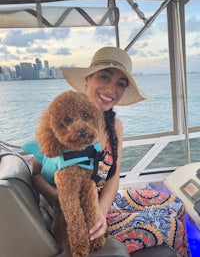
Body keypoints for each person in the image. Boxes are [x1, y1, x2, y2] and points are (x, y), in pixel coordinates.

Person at [27, 47, 190, 257]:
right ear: (88, 79)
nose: (111, 89)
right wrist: (62, 198)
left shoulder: (116, 125)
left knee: (176, 203)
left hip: (101, 204)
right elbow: (37, 174)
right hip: (77, 215)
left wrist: (101, 211)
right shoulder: (63, 117)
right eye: (105, 77)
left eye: (120, 84)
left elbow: (113, 177)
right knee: (171, 225)